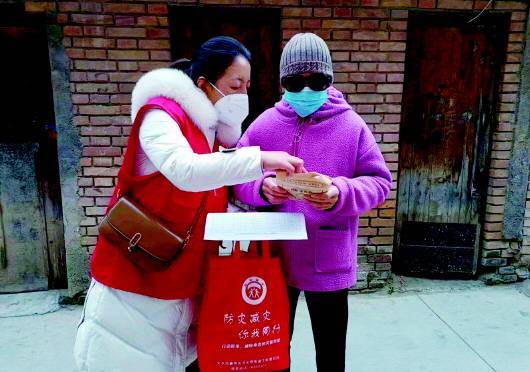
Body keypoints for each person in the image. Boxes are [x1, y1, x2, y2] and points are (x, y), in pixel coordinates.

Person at [74, 36, 304, 372]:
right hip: (135, 282)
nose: (243, 94)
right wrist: (260, 160)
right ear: (204, 83)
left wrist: (259, 201)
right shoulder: (161, 115)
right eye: (235, 84)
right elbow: (185, 171)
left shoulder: (208, 135)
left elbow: (208, 199)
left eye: (248, 85)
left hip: (181, 282)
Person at [233, 33, 392, 372]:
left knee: (331, 354)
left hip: (329, 259)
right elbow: (235, 179)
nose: (305, 90)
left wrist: (340, 193)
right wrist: (262, 189)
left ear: (329, 79)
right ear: (281, 83)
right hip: (275, 261)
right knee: (273, 351)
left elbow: (380, 183)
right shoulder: (263, 125)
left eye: (316, 80)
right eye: (294, 81)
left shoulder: (352, 126)